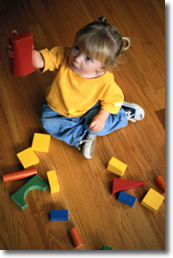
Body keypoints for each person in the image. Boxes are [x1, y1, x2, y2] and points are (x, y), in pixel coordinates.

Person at [10, 17, 145, 159]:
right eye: (77, 48)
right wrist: (24, 52)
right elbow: (42, 60)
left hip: (91, 108)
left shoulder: (105, 82)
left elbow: (113, 97)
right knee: (47, 121)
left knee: (99, 126)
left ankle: (122, 113)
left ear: (102, 67)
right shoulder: (64, 56)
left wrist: (101, 117)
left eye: (88, 59)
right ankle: (81, 137)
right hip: (58, 110)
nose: (77, 58)